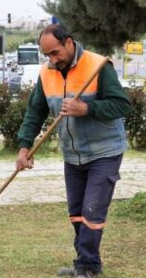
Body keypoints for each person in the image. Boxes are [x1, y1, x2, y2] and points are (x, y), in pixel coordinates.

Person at [16, 24, 130, 278]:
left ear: (69, 42)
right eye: (47, 56)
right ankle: (86, 263)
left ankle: (87, 268)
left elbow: (122, 105)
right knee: (77, 213)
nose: (52, 60)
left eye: (55, 53)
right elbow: (35, 111)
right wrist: (25, 146)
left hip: (105, 151)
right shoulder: (47, 73)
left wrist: (87, 109)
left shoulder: (99, 66)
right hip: (72, 153)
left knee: (92, 211)